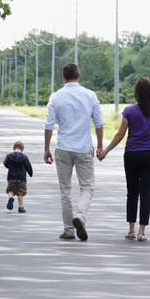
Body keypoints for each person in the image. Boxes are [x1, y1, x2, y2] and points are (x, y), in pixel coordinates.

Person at [98, 76, 150, 241]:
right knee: (146, 192)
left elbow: (120, 134)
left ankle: (132, 230)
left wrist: (105, 151)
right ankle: (142, 232)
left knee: (132, 191)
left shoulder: (129, 111)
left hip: (132, 155)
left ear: (136, 93)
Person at [44, 63, 104, 241]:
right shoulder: (90, 95)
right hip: (84, 148)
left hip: (63, 147)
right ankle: (80, 215)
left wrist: (46, 149)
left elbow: (48, 125)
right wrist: (100, 146)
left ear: (63, 77)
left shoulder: (56, 97)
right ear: (79, 76)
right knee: (87, 186)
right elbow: (99, 123)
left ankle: (69, 230)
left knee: (65, 189)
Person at [3, 141, 33, 213]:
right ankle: (20, 207)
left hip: (11, 177)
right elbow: (28, 166)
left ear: (13, 148)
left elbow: (5, 163)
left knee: (10, 190)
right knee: (20, 193)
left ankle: (11, 197)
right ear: (22, 149)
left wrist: (10, 167)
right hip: (21, 178)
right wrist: (30, 173)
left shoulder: (9, 156)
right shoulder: (24, 157)